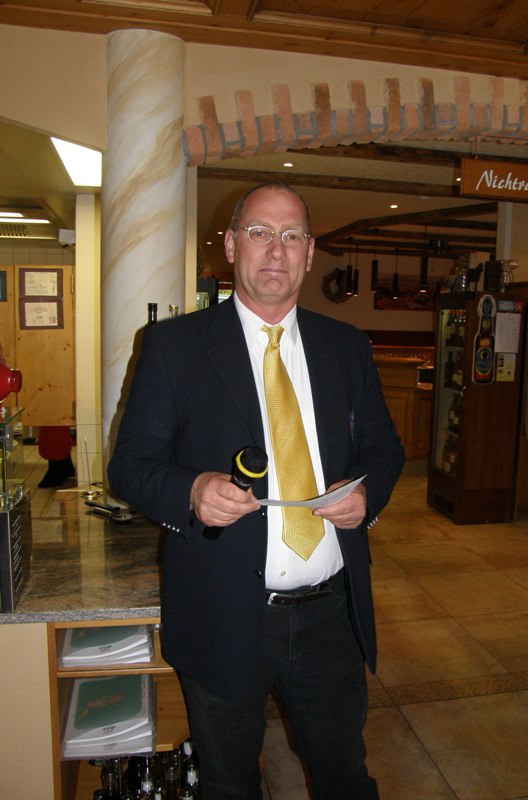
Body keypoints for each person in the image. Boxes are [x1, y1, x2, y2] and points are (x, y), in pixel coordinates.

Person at [108, 181, 404, 800]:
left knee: (344, 776)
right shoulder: (174, 347)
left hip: (330, 615)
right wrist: (192, 489)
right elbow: (130, 466)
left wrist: (366, 495)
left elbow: (384, 450)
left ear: (309, 252)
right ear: (231, 244)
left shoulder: (346, 347)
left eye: (291, 236)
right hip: (222, 612)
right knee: (228, 784)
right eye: (261, 233)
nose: (276, 250)